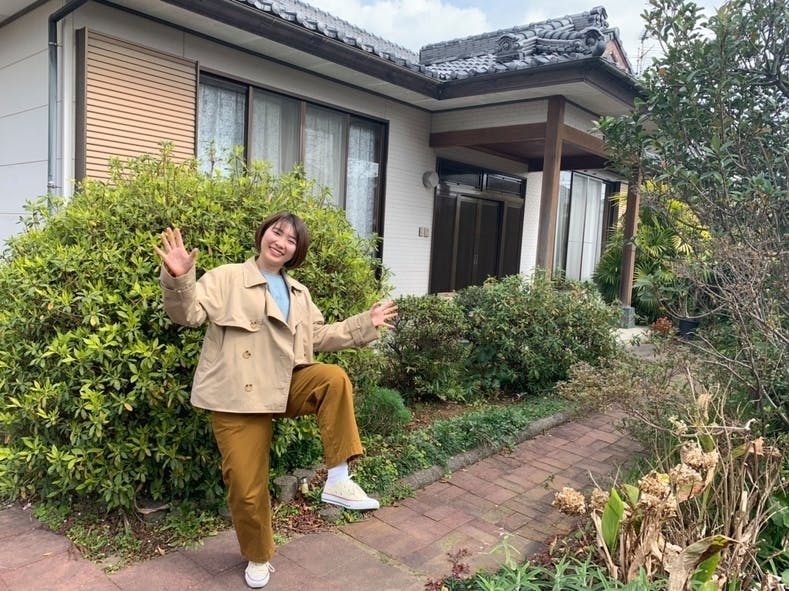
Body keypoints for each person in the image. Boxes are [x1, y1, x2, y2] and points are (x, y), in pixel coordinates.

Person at [154, 211, 397, 589]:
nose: (281, 242)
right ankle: (258, 554)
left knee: (332, 379)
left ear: (296, 252)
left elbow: (318, 336)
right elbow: (187, 314)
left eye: (291, 240)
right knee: (246, 488)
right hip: (237, 396)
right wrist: (178, 277)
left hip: (284, 385)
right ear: (263, 233)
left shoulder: (298, 293)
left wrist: (365, 323)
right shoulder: (227, 277)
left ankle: (337, 479)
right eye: (277, 232)